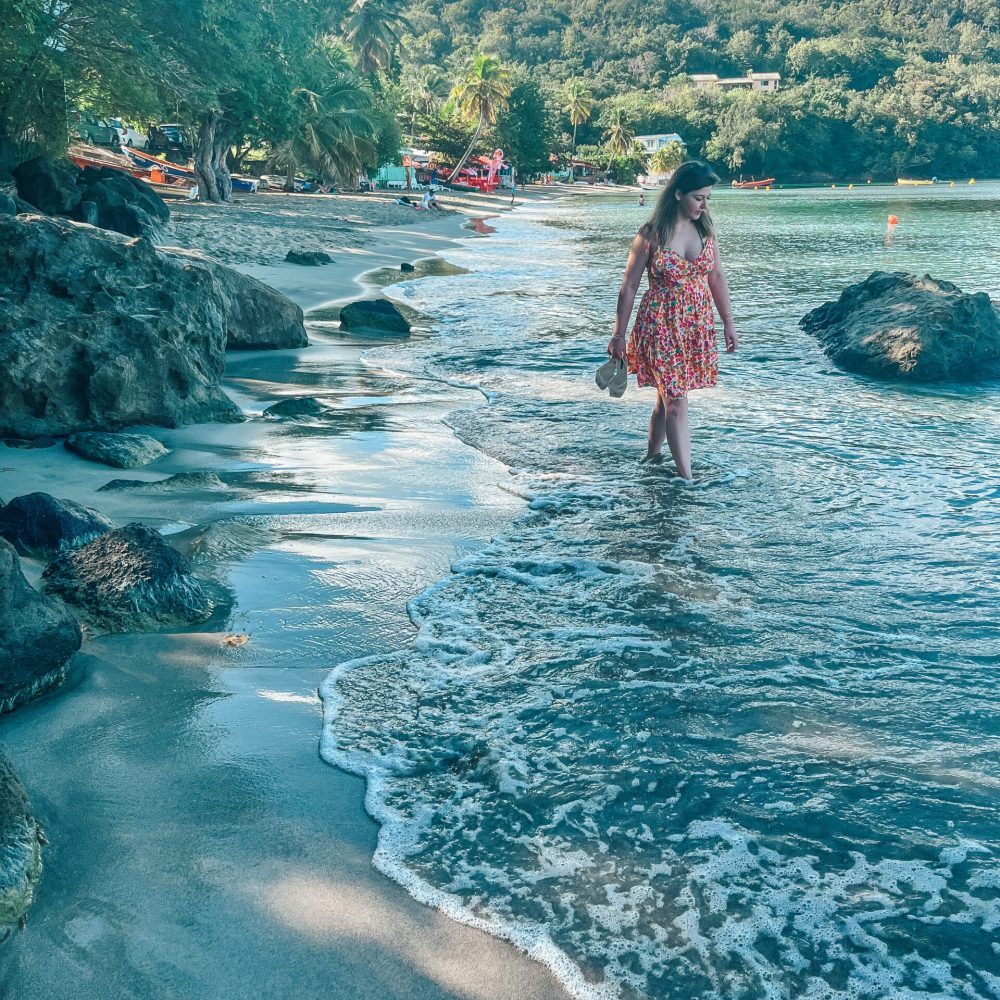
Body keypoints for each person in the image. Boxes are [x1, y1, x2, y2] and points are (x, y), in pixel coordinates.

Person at [607, 160, 738, 479]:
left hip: (695, 328)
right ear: (678, 194)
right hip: (660, 327)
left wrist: (728, 322)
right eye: (698, 198)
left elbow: (716, 277)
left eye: (707, 198)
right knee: (676, 401)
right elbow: (629, 286)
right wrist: (618, 335)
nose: (704, 205)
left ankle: (651, 461)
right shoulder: (651, 234)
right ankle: (687, 480)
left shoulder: (705, 230)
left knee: (666, 400)